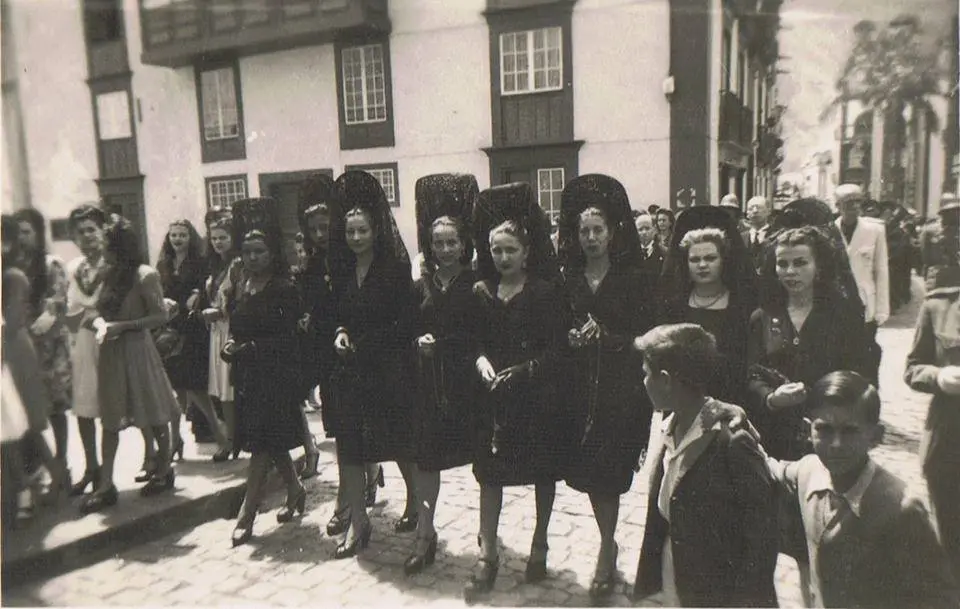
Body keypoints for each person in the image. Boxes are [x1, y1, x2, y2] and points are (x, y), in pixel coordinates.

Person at [769, 372, 959, 608]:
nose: (836, 444)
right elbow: (766, 466)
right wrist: (734, 415)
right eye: (824, 430)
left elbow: (941, 599)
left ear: (875, 436)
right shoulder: (807, 471)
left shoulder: (902, 509)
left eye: (850, 431)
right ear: (809, 430)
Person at [464, 182, 571, 600]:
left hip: (535, 398)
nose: (503, 258)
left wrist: (527, 371)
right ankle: (487, 554)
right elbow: (470, 343)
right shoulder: (480, 292)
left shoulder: (544, 292)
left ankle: (539, 544)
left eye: (511, 250)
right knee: (490, 477)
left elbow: (558, 350)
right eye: (496, 251)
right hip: (493, 402)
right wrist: (481, 362)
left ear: (526, 252)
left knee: (542, 472)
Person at [632, 323, 779, 607]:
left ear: (665, 380)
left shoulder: (731, 441)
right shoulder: (671, 428)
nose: (643, 382)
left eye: (646, 374)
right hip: (678, 570)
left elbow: (761, 539)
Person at [557, 175, 654, 601]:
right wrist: (571, 337)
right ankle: (608, 540)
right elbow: (555, 329)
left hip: (621, 390)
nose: (591, 237)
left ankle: (605, 551)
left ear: (613, 233)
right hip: (580, 391)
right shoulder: (568, 277)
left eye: (598, 230)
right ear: (575, 237)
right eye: (584, 231)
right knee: (594, 476)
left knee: (611, 473)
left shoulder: (635, 277)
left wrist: (608, 337)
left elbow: (647, 337)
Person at [328, 170, 418, 559]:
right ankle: (359, 523)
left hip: (387, 369)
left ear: (376, 230)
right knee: (348, 445)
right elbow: (339, 315)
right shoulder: (343, 270)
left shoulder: (395, 270)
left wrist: (365, 344)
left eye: (362, 231)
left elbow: (405, 324)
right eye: (350, 232)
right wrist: (341, 332)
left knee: (395, 441)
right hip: (350, 371)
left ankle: (415, 500)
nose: (356, 238)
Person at [405, 173, 482, 575]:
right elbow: (406, 329)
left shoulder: (477, 284)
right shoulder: (420, 286)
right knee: (426, 461)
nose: (446, 249)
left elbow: (485, 336)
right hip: (430, 386)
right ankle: (425, 532)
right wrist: (418, 342)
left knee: (484, 463)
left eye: (453, 242)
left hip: (468, 386)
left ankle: (488, 541)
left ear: (464, 244)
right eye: (439, 243)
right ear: (430, 247)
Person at [747, 226, 871, 460]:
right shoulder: (763, 316)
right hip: (774, 432)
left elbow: (860, 373)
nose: (790, 271)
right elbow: (751, 372)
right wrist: (771, 398)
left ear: (818, 266)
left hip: (830, 432)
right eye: (782, 264)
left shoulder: (844, 315)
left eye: (800, 263)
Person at [225, 198, 308, 547]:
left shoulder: (284, 289)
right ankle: (295, 488)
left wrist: (253, 349)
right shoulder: (243, 285)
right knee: (270, 442)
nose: (252, 257)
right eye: (246, 251)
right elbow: (237, 324)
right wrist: (232, 344)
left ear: (272, 253)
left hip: (276, 377)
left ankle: (247, 513)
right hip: (248, 376)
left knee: (260, 445)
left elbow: (289, 338)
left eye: (259, 251)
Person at [83, 216, 180, 513]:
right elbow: (91, 313)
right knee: (110, 419)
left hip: (138, 352)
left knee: (153, 412)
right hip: (111, 355)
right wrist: (99, 322)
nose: (103, 252)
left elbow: (160, 316)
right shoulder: (105, 274)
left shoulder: (144, 275)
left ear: (120, 247)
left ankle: (164, 470)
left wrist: (122, 326)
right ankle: (106, 484)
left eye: (107, 246)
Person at [660, 206, 756, 404]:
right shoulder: (674, 307)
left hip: (730, 400)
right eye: (695, 259)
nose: (702, 265)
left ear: (723, 260)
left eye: (710, 258)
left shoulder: (741, 307)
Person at [904, 243, 960, 583]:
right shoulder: (940, 305)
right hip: (950, 444)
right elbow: (912, 368)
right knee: (952, 542)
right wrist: (938, 376)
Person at [2, 215, 64, 521]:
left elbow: (12, 322)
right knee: (14, 427)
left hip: (14, 350)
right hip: (7, 347)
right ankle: (28, 483)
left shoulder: (13, 276)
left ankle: (54, 474)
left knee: (26, 421)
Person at [157, 219, 228, 462]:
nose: (177, 239)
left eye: (182, 235)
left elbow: (204, 288)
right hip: (170, 329)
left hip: (192, 328)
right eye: (173, 235)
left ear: (190, 237)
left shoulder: (199, 262)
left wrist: (196, 294)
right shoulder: (164, 264)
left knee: (195, 387)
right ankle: (175, 438)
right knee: (174, 388)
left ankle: (221, 436)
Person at [13, 208, 73, 487]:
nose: (22, 238)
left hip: (48, 347)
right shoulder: (13, 265)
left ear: (38, 233)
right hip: (21, 348)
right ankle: (35, 467)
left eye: (27, 231)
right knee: (25, 411)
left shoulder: (51, 264)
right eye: (18, 232)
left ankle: (61, 461)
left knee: (55, 407)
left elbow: (57, 302)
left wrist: (35, 327)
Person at [64, 204, 108, 495]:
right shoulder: (73, 269)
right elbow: (69, 309)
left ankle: (152, 457)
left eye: (91, 229)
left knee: (119, 405)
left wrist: (94, 314)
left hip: (110, 339)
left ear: (103, 231)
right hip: (82, 342)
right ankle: (92, 466)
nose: (87, 236)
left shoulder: (114, 265)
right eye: (80, 232)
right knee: (85, 406)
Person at [198, 211, 239, 462]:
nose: (218, 242)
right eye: (214, 238)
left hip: (231, 329)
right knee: (223, 392)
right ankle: (231, 440)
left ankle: (234, 441)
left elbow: (239, 299)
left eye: (223, 237)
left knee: (231, 389)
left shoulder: (237, 265)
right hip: (216, 332)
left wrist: (221, 311)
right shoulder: (215, 266)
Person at [834, 184, 889, 362]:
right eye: (849, 203)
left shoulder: (875, 230)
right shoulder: (829, 230)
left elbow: (881, 271)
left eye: (858, 202)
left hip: (865, 304)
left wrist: (882, 310)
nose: (855, 207)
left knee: (864, 356)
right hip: (836, 304)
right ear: (837, 205)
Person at [744, 195, 772, 272]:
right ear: (747, 213)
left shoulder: (777, 235)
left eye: (759, 207)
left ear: (769, 211)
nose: (755, 211)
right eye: (751, 208)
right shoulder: (740, 238)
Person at [634, 211, 665, 278]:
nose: (644, 232)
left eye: (647, 228)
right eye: (640, 229)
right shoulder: (631, 254)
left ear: (654, 230)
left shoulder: (663, 253)